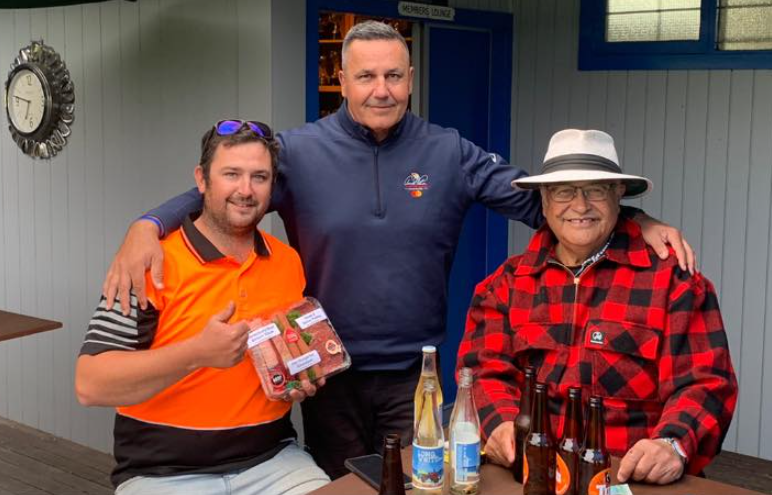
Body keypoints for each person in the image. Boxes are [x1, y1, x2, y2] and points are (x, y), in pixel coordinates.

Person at [102, 22, 695, 479]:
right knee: (342, 485)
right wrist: (147, 224)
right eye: (366, 77)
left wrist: (634, 218)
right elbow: (224, 188)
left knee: (418, 487)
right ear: (343, 77)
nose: (381, 90)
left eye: (394, 76)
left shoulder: (450, 152)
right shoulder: (299, 153)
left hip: (419, 375)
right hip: (328, 375)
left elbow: (552, 205)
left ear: (411, 77)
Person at [457, 129, 738, 485]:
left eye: (596, 190)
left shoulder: (674, 283)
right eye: (564, 191)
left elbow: (706, 383)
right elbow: (484, 371)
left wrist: (673, 444)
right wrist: (499, 425)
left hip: (631, 479)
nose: (580, 205)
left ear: (618, 194)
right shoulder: (506, 285)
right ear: (543, 198)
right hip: (531, 474)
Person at [75, 120, 330, 495]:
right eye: (231, 174)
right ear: (201, 180)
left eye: (259, 177)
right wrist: (196, 353)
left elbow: (288, 355)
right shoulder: (151, 262)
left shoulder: (287, 262)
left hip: (273, 461)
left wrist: (298, 376)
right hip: (162, 473)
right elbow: (90, 384)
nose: (245, 190)